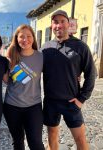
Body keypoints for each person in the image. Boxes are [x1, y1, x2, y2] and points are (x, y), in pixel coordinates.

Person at [40, 10, 96, 150]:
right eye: (55, 22)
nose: (59, 25)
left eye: (62, 21)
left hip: (71, 102)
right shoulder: (45, 48)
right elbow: (32, 69)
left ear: (68, 23)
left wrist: (82, 98)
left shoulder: (80, 46)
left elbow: (91, 73)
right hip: (51, 102)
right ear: (52, 25)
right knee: (52, 137)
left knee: (80, 139)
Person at [3, 24, 45, 150]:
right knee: (18, 142)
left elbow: (54, 73)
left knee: (36, 142)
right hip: (12, 106)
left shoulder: (41, 56)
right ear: (16, 39)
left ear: (33, 37)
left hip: (34, 107)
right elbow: (5, 80)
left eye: (28, 36)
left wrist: (75, 76)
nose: (25, 39)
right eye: (21, 37)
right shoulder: (10, 57)